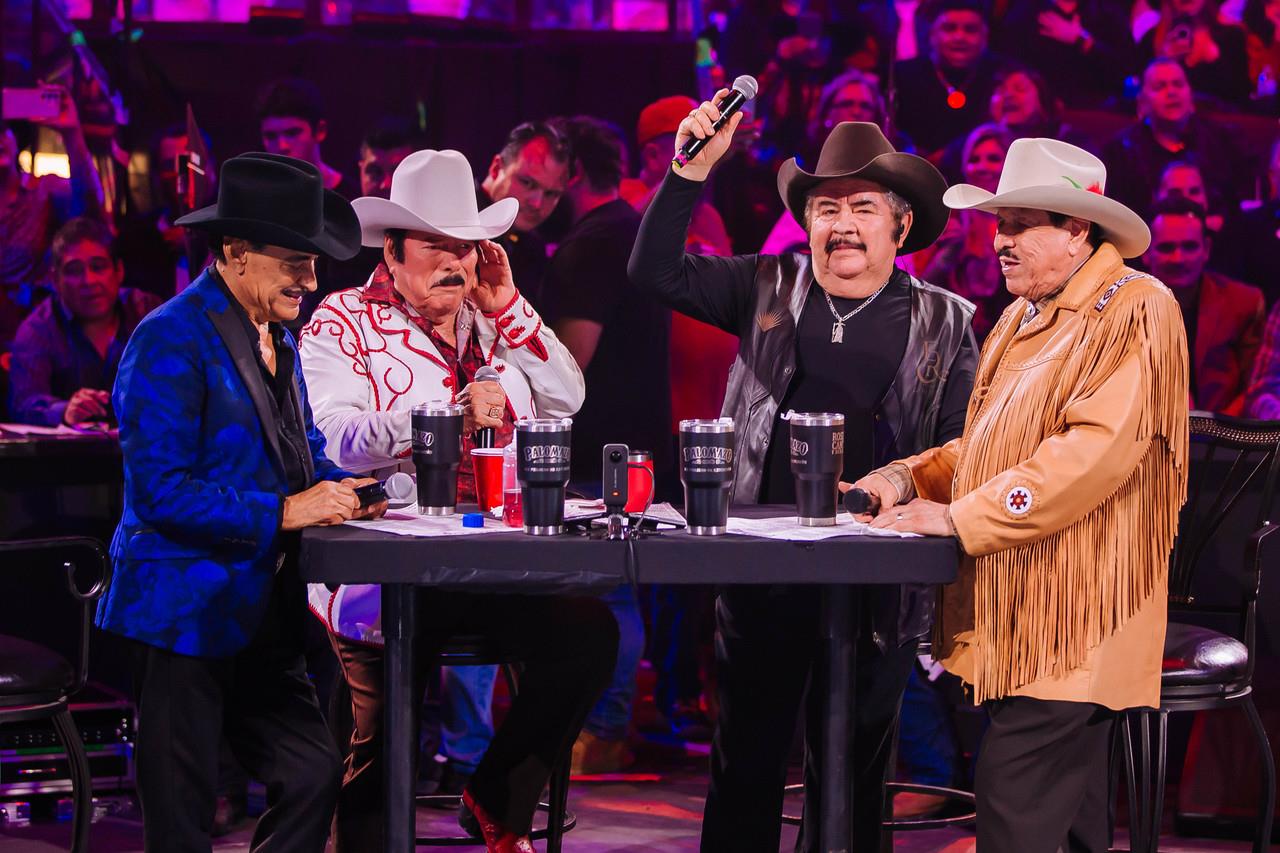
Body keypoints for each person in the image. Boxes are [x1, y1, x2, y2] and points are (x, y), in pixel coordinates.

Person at [629, 106, 978, 851]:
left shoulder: (947, 320)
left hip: (878, 571)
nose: (843, 224)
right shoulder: (764, 285)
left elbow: (959, 446)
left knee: (854, 773)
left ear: (900, 227)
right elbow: (651, 269)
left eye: (861, 208)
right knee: (746, 764)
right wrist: (692, 169)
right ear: (807, 223)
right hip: (763, 565)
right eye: (827, 208)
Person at [851, 137, 1189, 853]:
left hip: (1079, 614)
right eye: (999, 224)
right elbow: (988, 448)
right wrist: (905, 476)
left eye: (1022, 223)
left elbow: (1090, 457)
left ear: (1077, 229)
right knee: (1064, 821)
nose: (1000, 241)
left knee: (1014, 797)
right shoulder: (1021, 316)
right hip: (1025, 610)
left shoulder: (1135, 308)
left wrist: (958, 516)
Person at [297, 147, 617, 853]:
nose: (455, 261)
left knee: (588, 633)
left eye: (466, 246)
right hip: (382, 576)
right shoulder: (342, 321)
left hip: (490, 565)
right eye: (437, 244)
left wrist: (507, 305)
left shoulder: (493, 315)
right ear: (393, 249)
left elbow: (569, 397)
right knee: (388, 726)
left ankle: (496, 796)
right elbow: (339, 439)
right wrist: (448, 415)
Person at [96, 152, 386, 851]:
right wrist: (286, 511)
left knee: (314, 772)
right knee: (183, 821)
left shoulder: (281, 341)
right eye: (294, 262)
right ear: (234, 252)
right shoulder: (168, 337)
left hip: (262, 614)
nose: (311, 281)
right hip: (180, 617)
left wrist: (352, 491)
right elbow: (161, 492)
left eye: (314, 264)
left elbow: (305, 451)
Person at [535, 114, 655, 774]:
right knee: (614, 587)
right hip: (631, 439)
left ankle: (605, 728)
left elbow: (570, 363)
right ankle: (604, 724)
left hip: (596, 449)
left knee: (607, 591)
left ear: (570, 171)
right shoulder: (629, 228)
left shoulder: (592, 241)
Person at [9, 217, 161, 426]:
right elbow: (23, 403)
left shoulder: (146, 310)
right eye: (74, 271)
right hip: (68, 457)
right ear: (55, 279)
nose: (88, 281)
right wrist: (64, 411)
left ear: (119, 271)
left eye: (98, 267)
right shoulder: (37, 329)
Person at [0, 88, 103, 350]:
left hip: (36, 338)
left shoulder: (42, 191)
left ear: (13, 137)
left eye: (3, 130)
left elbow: (91, 207)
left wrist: (72, 134)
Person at [1143, 197, 1263, 415]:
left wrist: (1212, 431)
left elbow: (1255, 386)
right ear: (1146, 253)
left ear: (1206, 250)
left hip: (1223, 434)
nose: (1178, 259)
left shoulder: (1243, 303)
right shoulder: (1120, 305)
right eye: (1166, 247)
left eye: (1189, 247)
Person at [1102, 58, 1246, 222]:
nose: (1171, 92)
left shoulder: (1222, 140)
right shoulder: (1120, 151)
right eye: (1160, 87)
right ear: (1142, 102)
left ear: (1191, 97)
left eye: (1178, 84)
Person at [914, 123, 1013, 342]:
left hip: (1010, 338)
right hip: (951, 339)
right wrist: (948, 253)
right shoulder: (950, 219)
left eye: (994, 159)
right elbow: (919, 291)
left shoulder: (1024, 222)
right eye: (974, 160)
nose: (983, 167)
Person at [893, 0, 1010, 156]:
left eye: (970, 30)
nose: (959, 37)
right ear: (932, 34)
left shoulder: (1002, 74)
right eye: (949, 28)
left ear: (985, 37)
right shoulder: (902, 75)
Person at [478, 121, 572, 307]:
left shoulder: (533, 249)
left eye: (551, 193)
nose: (537, 203)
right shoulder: (452, 222)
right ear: (496, 168)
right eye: (527, 183)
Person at [993, 0, 1132, 104]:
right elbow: (1009, 65)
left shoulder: (1106, 12)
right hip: (1040, 112)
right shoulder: (1025, 12)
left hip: (1095, 111)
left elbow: (1124, 70)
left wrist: (1082, 40)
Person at [1138, 0, 1252, 105]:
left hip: (1221, 122)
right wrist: (1164, 64)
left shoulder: (1232, 37)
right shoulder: (1152, 40)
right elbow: (1141, 99)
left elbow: (1241, 98)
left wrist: (1216, 60)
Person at [255, 78, 351, 196]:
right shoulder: (255, 196)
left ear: (320, 131)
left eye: (291, 134)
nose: (281, 146)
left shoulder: (351, 197)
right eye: (271, 136)